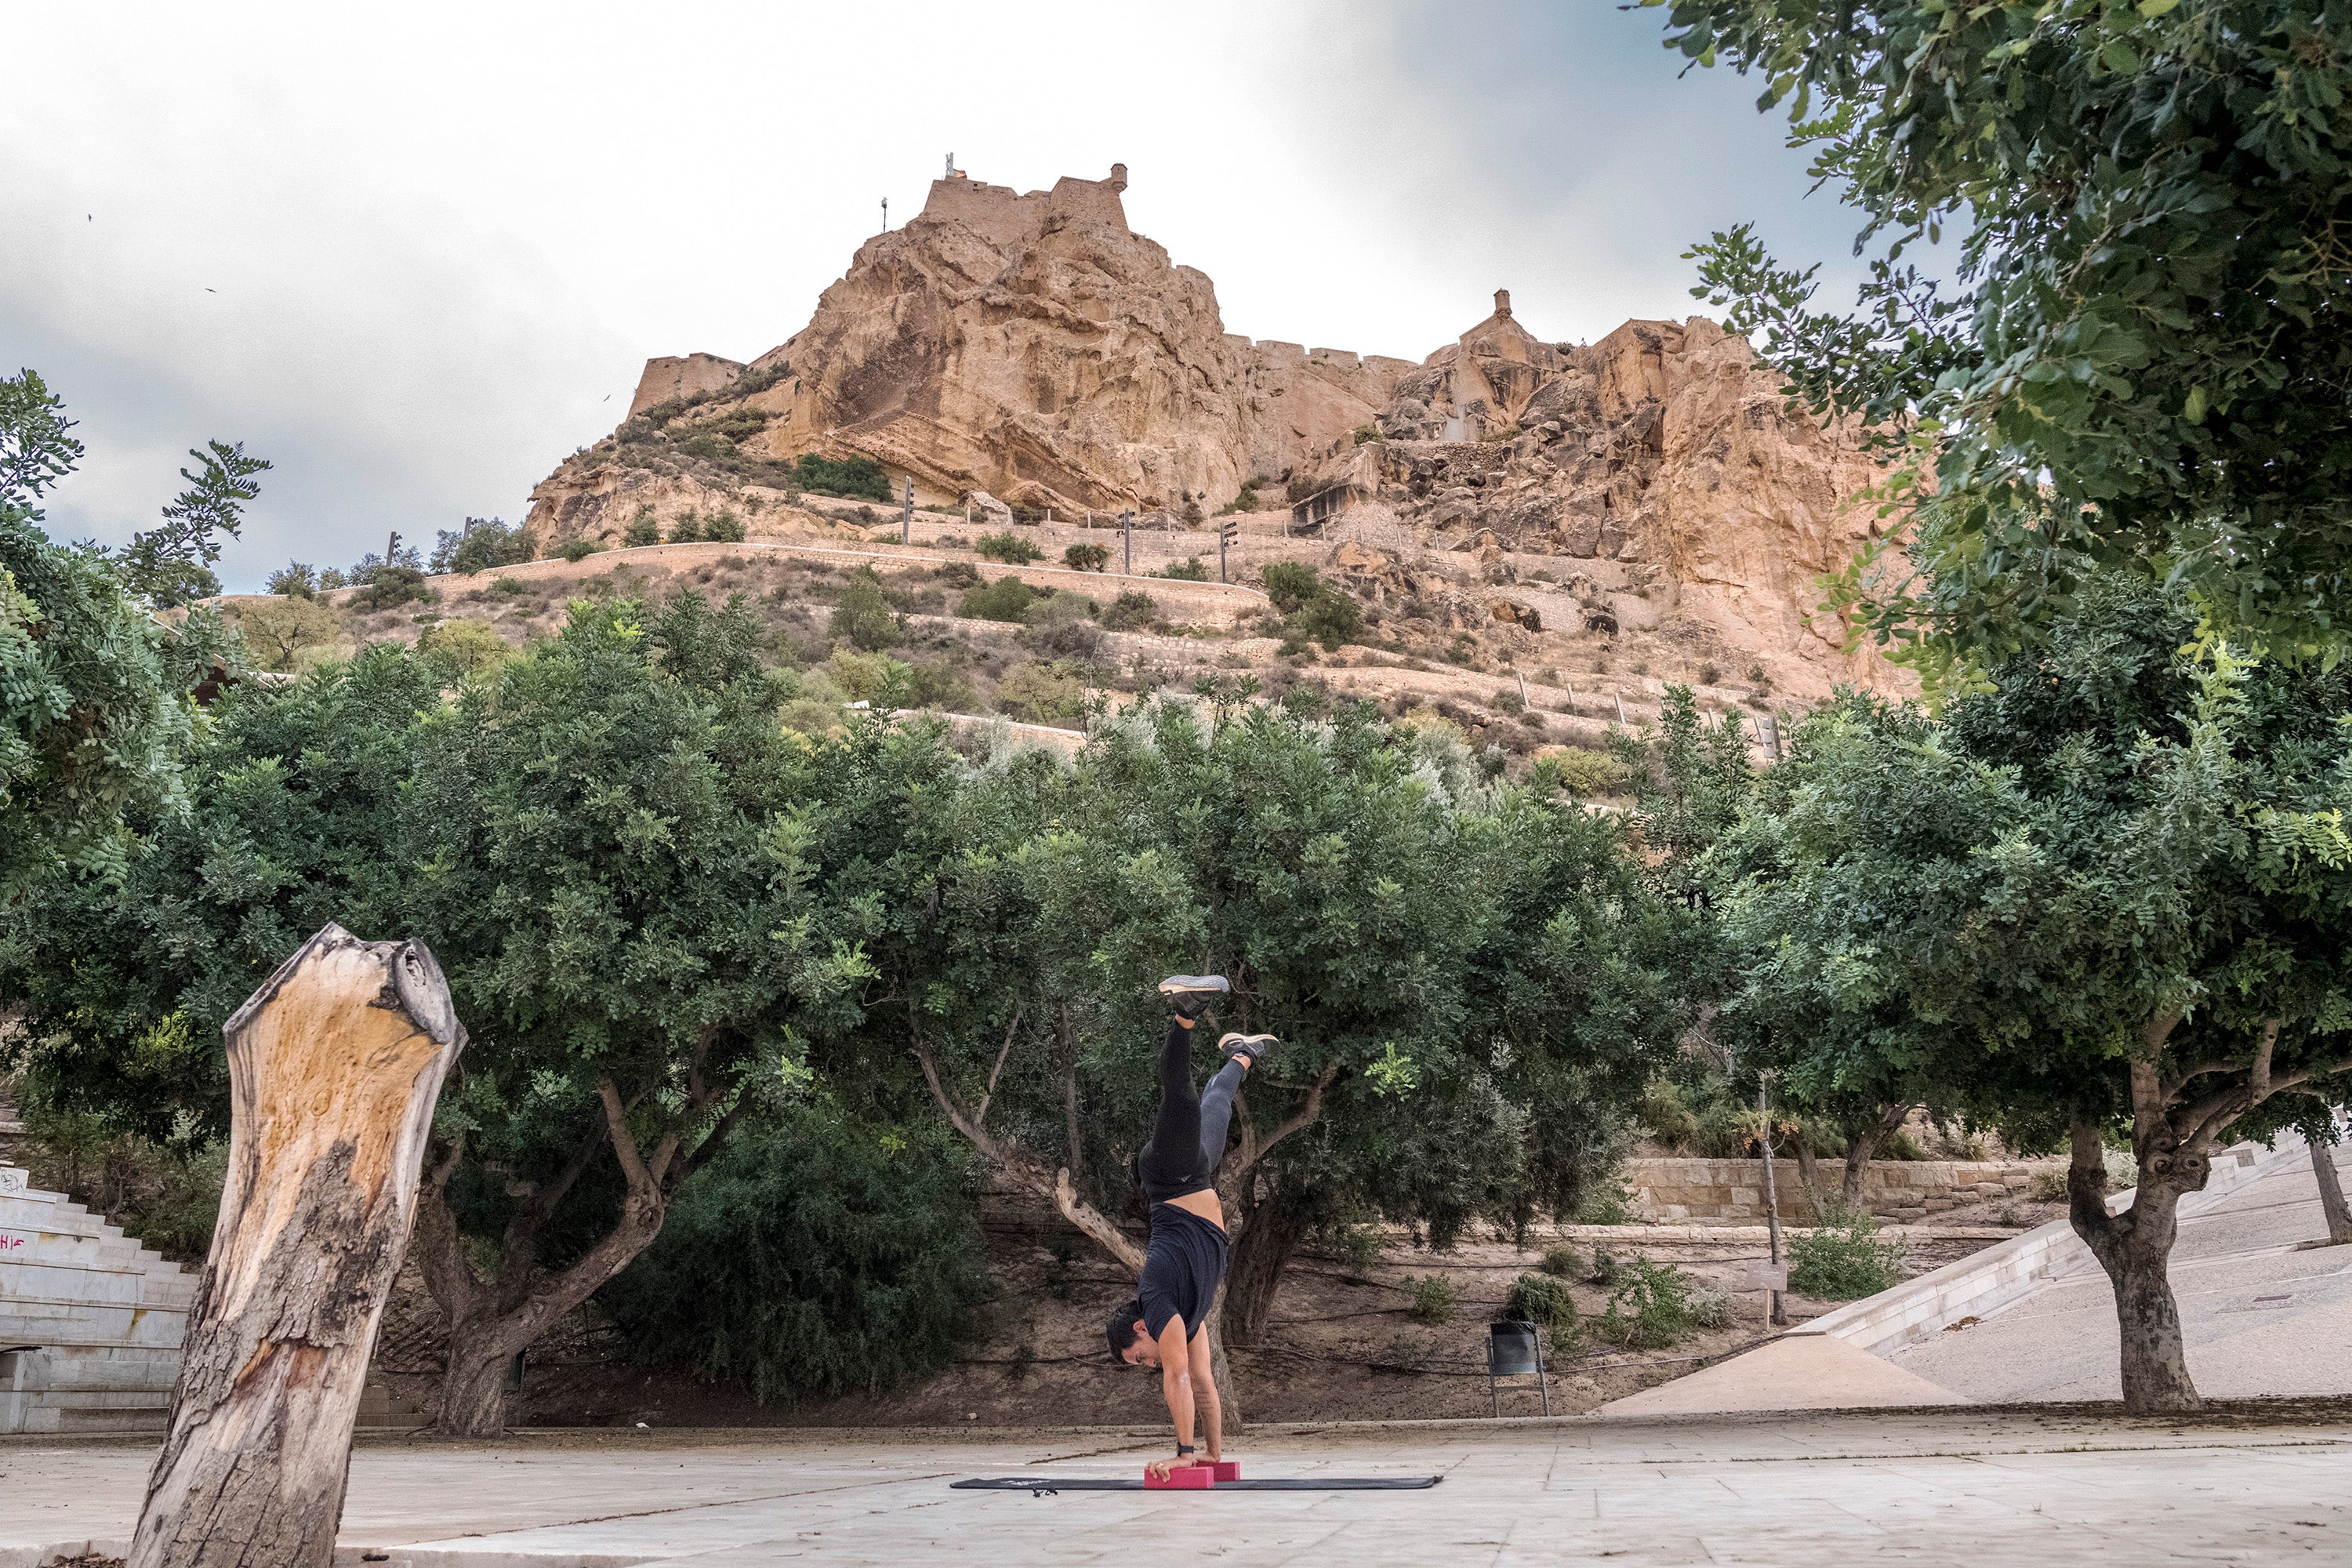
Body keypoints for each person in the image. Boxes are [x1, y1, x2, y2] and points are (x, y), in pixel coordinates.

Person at [1105, 974, 1276, 1483]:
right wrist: (1213, 1458)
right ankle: (1241, 1055)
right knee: (1215, 1105)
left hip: (1169, 1178)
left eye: (1138, 1359)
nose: (1148, 1364)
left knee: (1178, 1098)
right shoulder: (1189, 1314)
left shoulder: (1158, 1303)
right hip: (1195, 1173)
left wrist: (1183, 1451)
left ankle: (1183, 1011)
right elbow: (1202, 1382)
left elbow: (1176, 1373)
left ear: (1141, 1331)